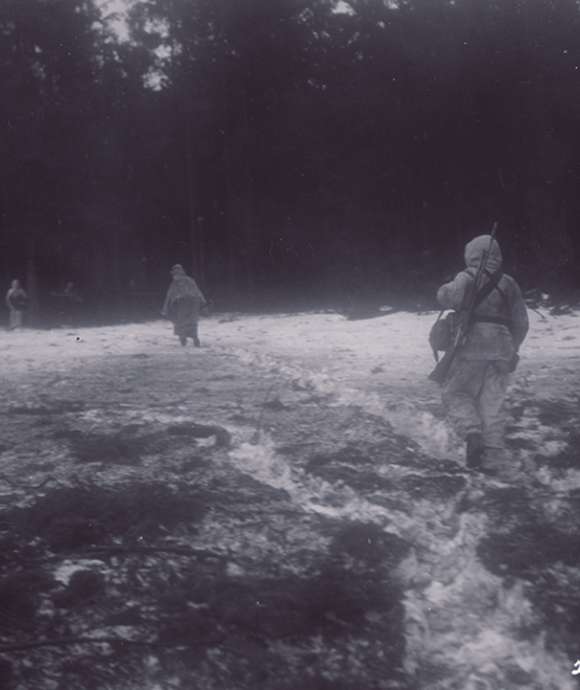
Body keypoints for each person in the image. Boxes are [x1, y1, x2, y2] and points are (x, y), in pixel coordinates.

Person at [436, 234, 529, 475]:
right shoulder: (509, 283)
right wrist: (512, 350)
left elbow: (448, 298)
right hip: (503, 347)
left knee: (456, 392)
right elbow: (521, 323)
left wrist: (445, 289)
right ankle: (494, 458)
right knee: (493, 402)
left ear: (471, 256)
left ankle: (472, 432)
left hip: (472, 345)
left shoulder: (465, 277)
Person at [161, 264, 207, 347]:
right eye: (174, 273)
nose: (175, 275)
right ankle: (189, 338)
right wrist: (203, 301)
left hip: (186, 305)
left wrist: (203, 302)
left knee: (183, 322)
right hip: (187, 305)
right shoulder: (184, 281)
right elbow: (170, 295)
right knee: (188, 322)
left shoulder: (182, 282)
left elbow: (197, 291)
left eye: (176, 273)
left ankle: (189, 338)